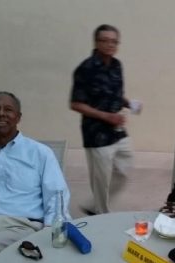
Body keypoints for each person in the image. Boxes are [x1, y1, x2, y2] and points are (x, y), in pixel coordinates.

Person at [0, 91, 71, 258]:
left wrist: (51, 231)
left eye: (8, 109)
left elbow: (57, 196)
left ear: (18, 117)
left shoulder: (39, 153)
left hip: (18, 227)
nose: (1, 113)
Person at [70, 24, 140, 215]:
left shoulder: (117, 65)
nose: (110, 44)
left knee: (124, 169)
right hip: (96, 134)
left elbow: (115, 95)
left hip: (117, 131)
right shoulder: (85, 69)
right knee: (101, 180)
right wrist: (105, 116)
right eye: (105, 40)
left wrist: (129, 104)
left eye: (114, 41)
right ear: (96, 42)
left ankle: (94, 206)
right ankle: (100, 214)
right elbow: (76, 103)